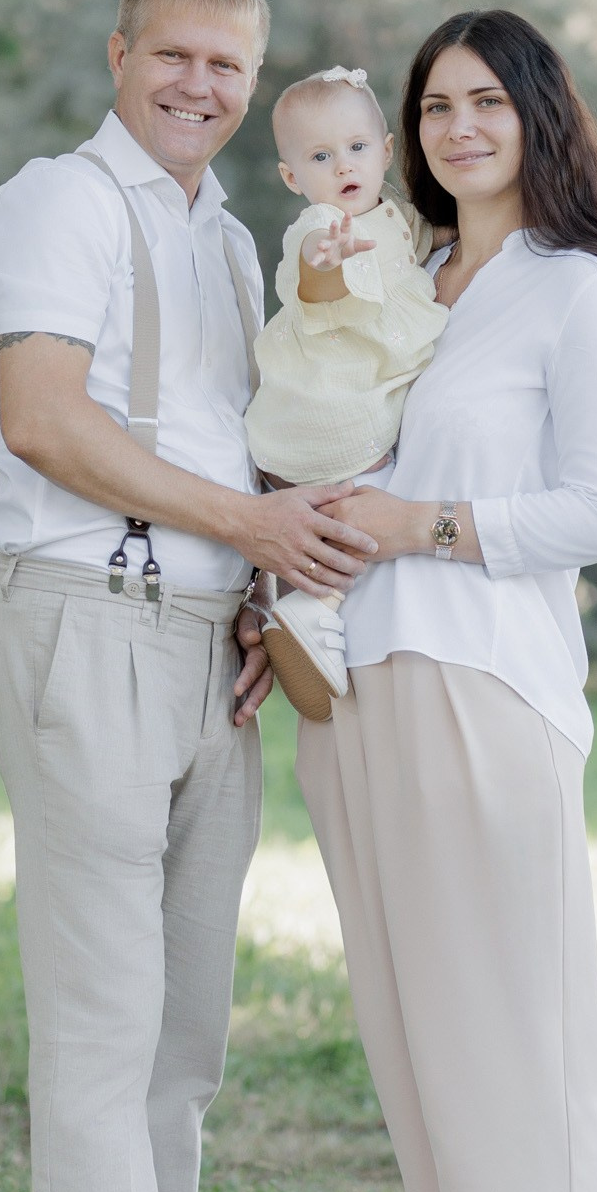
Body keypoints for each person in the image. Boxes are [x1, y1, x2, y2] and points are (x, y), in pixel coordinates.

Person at [0, 0, 378, 1192]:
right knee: (101, 1017)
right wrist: (250, 527)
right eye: (176, 56)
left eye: (228, 67)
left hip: (209, 648)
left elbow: (236, 435)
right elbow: (46, 419)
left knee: (183, 1035)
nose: (199, 85)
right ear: (122, 52)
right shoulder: (55, 205)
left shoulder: (222, 239)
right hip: (87, 624)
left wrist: (265, 587)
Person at [293, 7, 597, 1192]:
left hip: (484, 688)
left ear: (538, 119)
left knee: (511, 1028)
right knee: (413, 1033)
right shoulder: (407, 280)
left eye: (486, 103)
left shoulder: (572, 292)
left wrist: (421, 522)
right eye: (435, 106)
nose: (457, 128)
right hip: (352, 686)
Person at [243, 65, 448, 717]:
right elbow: (313, 286)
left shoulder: (397, 220)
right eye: (320, 157)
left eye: (357, 148)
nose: (343, 167)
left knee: (344, 514)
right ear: (293, 178)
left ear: (386, 150)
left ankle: (281, 595)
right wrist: (323, 267)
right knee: (378, 506)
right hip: (329, 425)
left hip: (292, 437)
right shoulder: (317, 230)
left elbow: (435, 237)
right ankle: (314, 608)